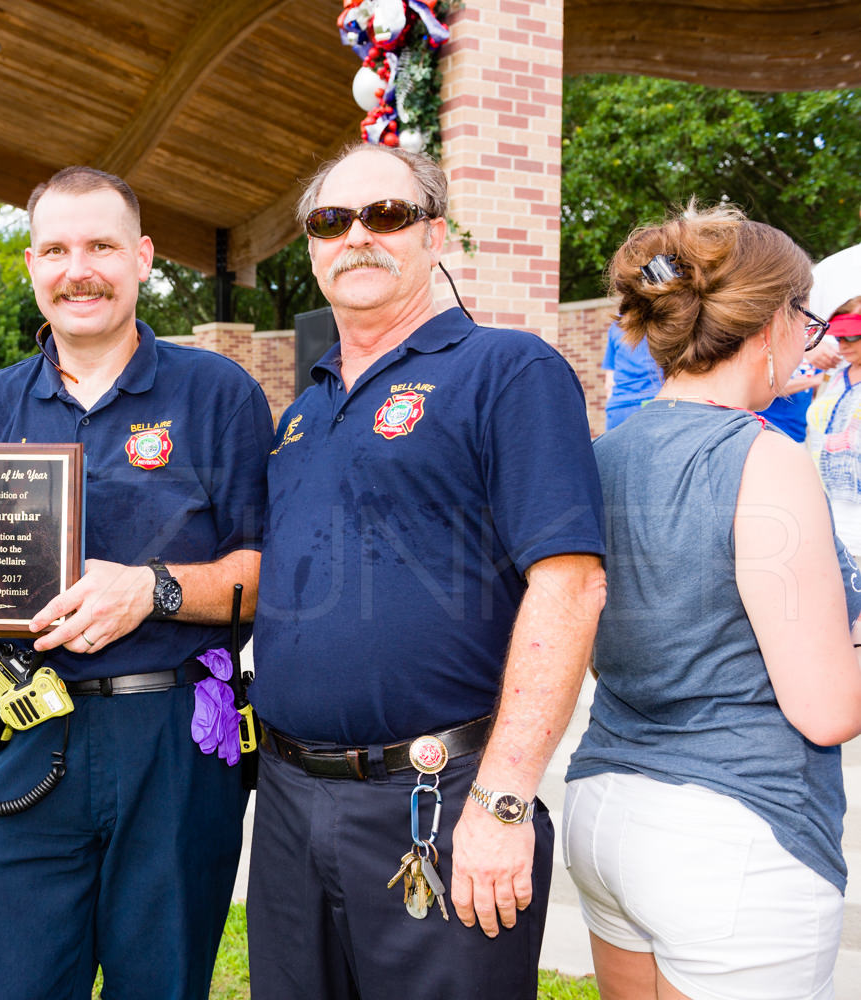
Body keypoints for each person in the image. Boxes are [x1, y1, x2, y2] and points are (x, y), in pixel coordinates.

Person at [0, 166, 272, 1000]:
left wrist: (149, 590)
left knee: (159, 984)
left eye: (100, 246)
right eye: (55, 248)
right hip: (27, 730)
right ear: (31, 265)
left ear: (143, 258)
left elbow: (262, 575)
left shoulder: (218, 392)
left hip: (172, 742)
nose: (77, 268)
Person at [246, 144, 606, 999]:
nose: (357, 236)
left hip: (438, 802)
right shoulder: (303, 411)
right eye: (331, 222)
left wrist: (505, 799)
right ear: (311, 248)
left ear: (435, 234)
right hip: (291, 802)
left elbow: (570, 583)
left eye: (388, 215)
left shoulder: (507, 371)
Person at [566, 204, 861, 999]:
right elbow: (828, 709)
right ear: (771, 322)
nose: (814, 339)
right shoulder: (764, 460)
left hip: (606, 809)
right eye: (808, 317)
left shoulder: (599, 455)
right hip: (734, 832)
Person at [804, 237, 861, 554]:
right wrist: (809, 353)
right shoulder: (836, 377)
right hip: (830, 525)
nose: (844, 345)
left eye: (854, 335)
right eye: (840, 337)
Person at [602, 320, 663, 430]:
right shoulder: (665, 320)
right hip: (656, 403)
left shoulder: (616, 326)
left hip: (619, 408)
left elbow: (609, 383)